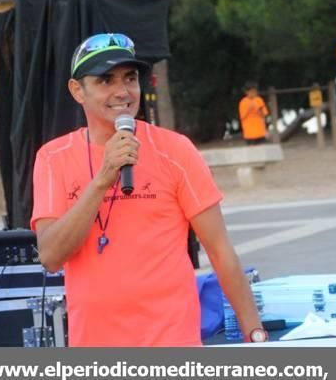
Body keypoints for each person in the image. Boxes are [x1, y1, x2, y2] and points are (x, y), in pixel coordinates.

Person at [31, 33, 266, 346]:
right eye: (105, 80)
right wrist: (103, 178)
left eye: (130, 78)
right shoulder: (53, 158)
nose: (122, 92)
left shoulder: (176, 150)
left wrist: (257, 335)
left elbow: (221, 251)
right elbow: (51, 255)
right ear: (77, 91)